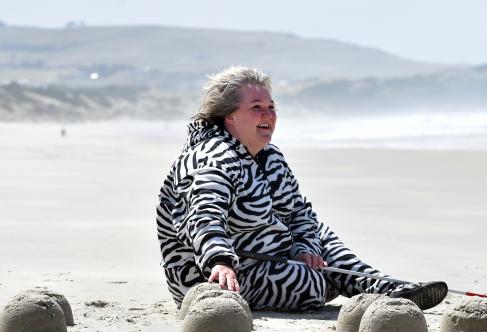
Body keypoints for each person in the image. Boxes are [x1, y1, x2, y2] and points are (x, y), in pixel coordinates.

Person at [156, 67, 447, 311]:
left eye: (271, 108)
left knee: (321, 240)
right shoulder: (212, 157)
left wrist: (306, 246)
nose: (267, 115)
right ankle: (364, 289)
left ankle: (383, 287)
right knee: (316, 281)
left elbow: (299, 213)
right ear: (229, 117)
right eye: (256, 108)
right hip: (214, 277)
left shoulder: (270, 157)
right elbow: (203, 215)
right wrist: (218, 260)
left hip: (272, 257)